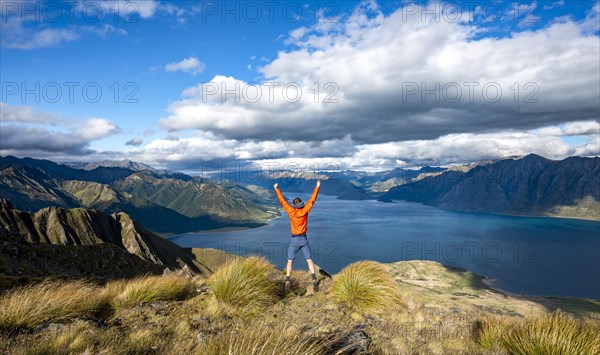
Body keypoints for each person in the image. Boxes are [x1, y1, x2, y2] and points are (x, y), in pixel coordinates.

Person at [273, 180, 320, 292]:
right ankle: (314, 279)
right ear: (301, 203)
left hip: (294, 239)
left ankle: (287, 280)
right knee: (309, 260)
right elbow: (312, 200)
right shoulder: (305, 210)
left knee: (290, 261)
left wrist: (277, 189)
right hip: (303, 239)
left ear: (294, 205)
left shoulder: (291, 211)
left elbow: (283, 202)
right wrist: (317, 187)